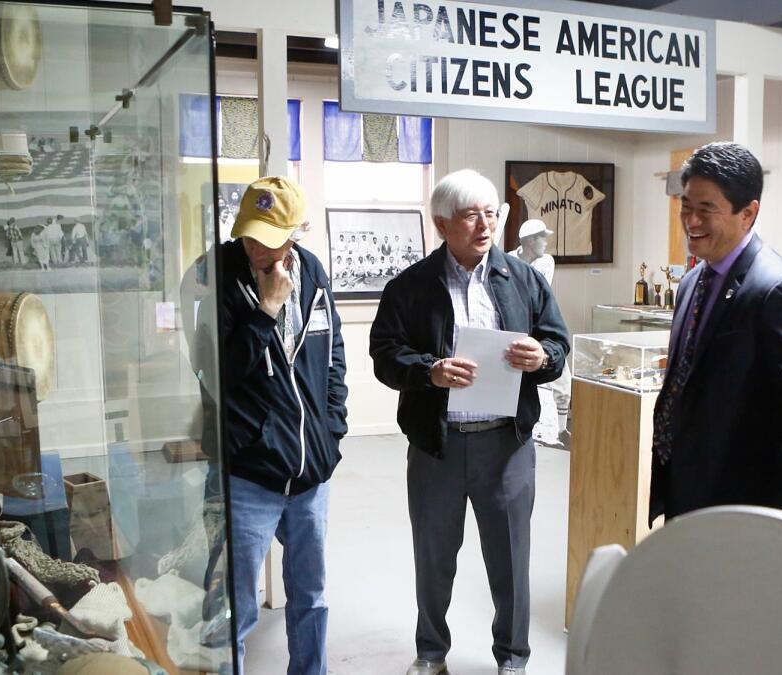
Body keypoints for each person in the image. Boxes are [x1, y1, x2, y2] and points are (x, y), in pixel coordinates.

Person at [369, 169, 570, 675]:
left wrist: (541, 357)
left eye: (491, 213)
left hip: (507, 446)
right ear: (441, 224)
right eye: (470, 215)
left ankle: (513, 659)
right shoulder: (411, 286)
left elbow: (558, 345)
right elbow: (384, 355)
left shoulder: (524, 280)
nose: (485, 225)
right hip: (437, 445)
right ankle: (431, 654)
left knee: (510, 561)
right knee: (434, 558)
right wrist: (428, 371)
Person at [650, 142, 782, 525]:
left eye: (706, 210)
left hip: (745, 504)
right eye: (686, 205)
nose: (691, 220)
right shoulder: (692, 282)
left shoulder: (779, 291)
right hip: (690, 490)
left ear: (748, 213)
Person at [219, 176, 347, 675]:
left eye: (269, 237)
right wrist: (267, 309)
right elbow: (221, 372)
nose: (255, 246)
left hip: (310, 472)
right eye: (250, 234)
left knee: (310, 596)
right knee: (238, 604)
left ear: (295, 233)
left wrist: (331, 431)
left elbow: (333, 355)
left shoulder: (313, 272)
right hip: (251, 474)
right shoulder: (221, 277)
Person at [508, 219, 569, 448]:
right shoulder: (509, 258)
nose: (546, 242)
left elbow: (534, 294)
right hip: (515, 329)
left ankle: (561, 430)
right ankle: (539, 429)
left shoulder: (546, 261)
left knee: (563, 380)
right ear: (531, 240)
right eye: (542, 237)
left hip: (540, 328)